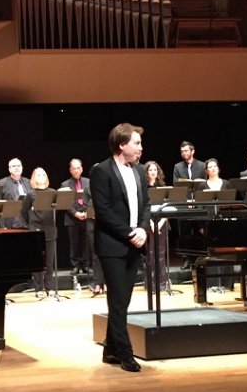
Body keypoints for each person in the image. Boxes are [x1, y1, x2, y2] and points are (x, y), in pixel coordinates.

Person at [91, 123, 149, 373]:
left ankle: (110, 350)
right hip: (113, 244)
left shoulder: (139, 170)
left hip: (135, 241)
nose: (140, 148)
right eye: (136, 143)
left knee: (122, 301)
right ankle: (126, 354)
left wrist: (143, 229)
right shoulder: (101, 171)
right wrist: (129, 233)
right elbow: (103, 211)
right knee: (117, 301)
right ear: (121, 145)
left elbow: (146, 203)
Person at [22, 167, 57, 298]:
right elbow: (23, 212)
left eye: (44, 174)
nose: (41, 176)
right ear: (34, 178)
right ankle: (39, 288)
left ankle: (50, 287)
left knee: (49, 262)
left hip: (50, 230)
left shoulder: (53, 192)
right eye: (38, 175)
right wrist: (31, 224)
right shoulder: (31, 194)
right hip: (36, 230)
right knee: (38, 262)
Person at [142, 161, 170, 293]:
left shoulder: (162, 188)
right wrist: (152, 224)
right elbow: (143, 208)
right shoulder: (143, 188)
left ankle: (162, 283)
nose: (153, 172)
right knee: (150, 254)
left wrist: (160, 223)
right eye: (150, 170)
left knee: (161, 255)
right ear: (146, 173)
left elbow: (167, 208)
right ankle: (150, 284)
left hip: (162, 223)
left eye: (155, 170)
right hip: (148, 224)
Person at [61, 159, 91, 275]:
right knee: (74, 243)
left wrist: (85, 212)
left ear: (82, 169)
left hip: (85, 216)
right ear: (70, 170)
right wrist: (75, 213)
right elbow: (66, 203)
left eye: (78, 168)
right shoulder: (65, 184)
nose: (76, 170)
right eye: (74, 168)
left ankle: (85, 265)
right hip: (72, 218)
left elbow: (90, 199)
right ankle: (75, 265)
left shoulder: (88, 182)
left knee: (86, 242)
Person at [0, 158, 30, 228]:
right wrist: (1, 225)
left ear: (22, 167)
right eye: (14, 166)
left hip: (27, 222)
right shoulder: (2, 183)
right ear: (9, 169)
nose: (17, 168)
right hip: (10, 223)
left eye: (19, 166)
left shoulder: (28, 182)